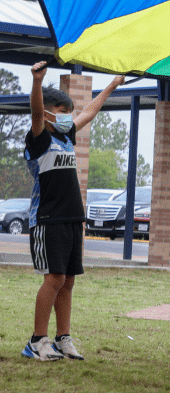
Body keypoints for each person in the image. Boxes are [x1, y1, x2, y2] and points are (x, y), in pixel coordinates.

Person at [22, 61, 124, 361]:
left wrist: (112, 85)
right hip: (47, 219)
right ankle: (37, 341)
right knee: (53, 278)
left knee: (67, 281)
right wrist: (38, 83)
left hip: (71, 219)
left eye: (70, 112)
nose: (69, 117)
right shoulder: (40, 139)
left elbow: (89, 112)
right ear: (51, 114)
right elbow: (37, 112)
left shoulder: (66, 137)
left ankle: (63, 339)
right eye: (63, 112)